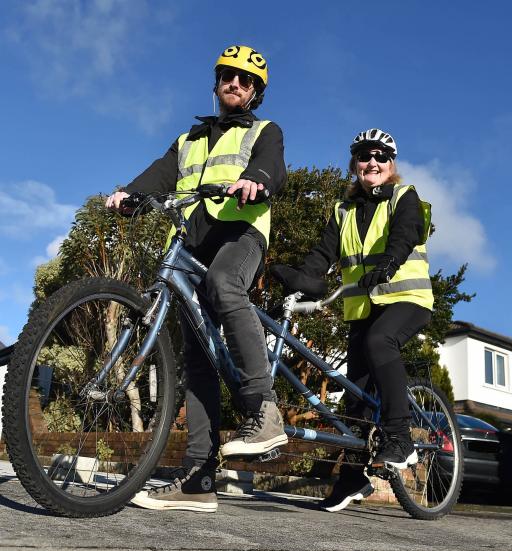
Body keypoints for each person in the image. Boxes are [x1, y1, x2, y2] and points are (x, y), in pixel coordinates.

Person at [106, 45, 288, 512]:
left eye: (245, 81)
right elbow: (160, 174)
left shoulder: (265, 131)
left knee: (226, 285)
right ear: (216, 82)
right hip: (189, 243)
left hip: (240, 233)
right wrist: (130, 192)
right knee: (198, 356)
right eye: (228, 76)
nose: (235, 84)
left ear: (255, 93)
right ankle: (198, 478)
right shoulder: (188, 140)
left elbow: (271, 166)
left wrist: (257, 180)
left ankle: (264, 410)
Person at [271, 128, 434, 512]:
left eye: (380, 156)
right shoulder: (342, 211)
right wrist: (301, 280)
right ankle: (352, 478)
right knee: (355, 394)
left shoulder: (402, 197)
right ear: (355, 165)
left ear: (391, 165)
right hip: (363, 310)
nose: (371, 162)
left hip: (405, 298)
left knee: (382, 342)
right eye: (364, 157)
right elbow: (322, 255)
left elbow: (406, 232)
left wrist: (389, 263)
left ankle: (400, 437)